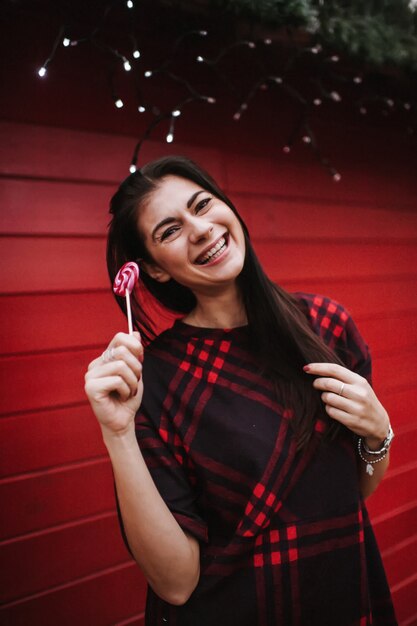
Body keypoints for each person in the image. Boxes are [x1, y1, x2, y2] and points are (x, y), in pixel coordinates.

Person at [84, 156, 397, 625]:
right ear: (154, 269)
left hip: (343, 594)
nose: (201, 229)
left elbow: (352, 490)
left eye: (203, 205)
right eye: (170, 230)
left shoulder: (326, 326)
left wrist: (378, 436)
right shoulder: (153, 381)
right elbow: (175, 582)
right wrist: (117, 433)